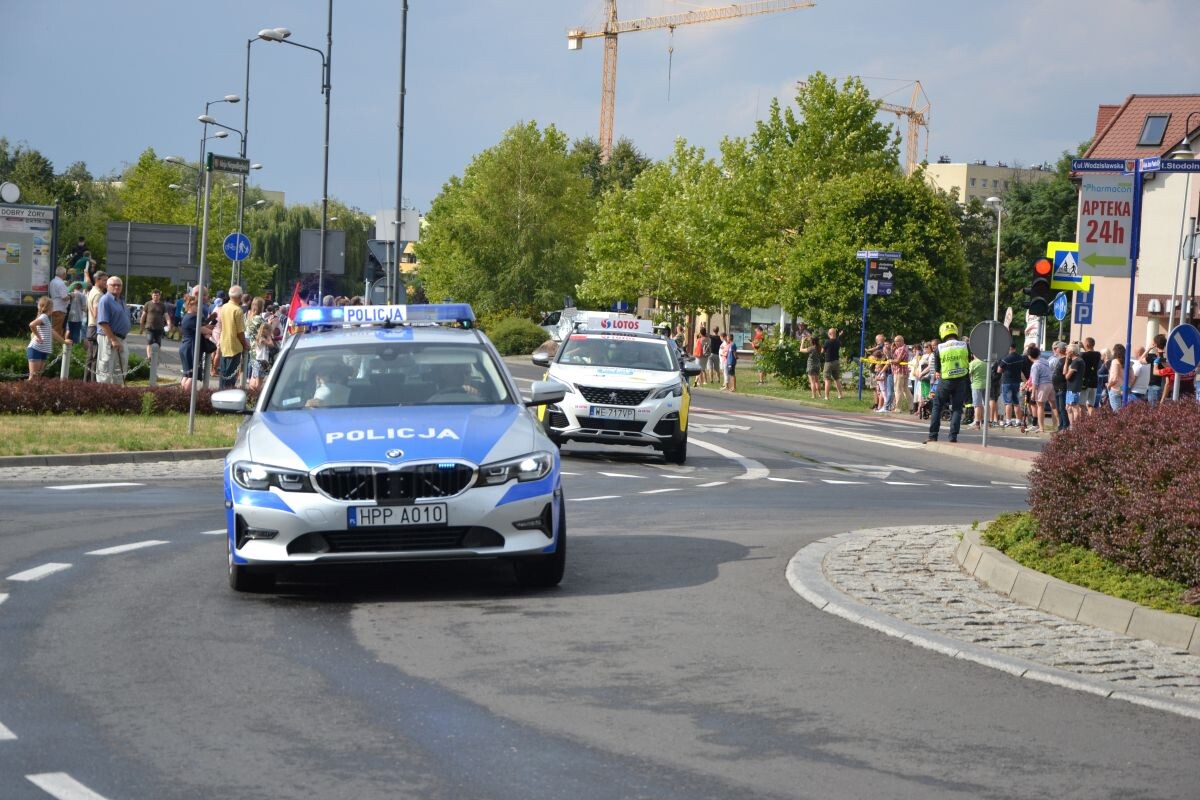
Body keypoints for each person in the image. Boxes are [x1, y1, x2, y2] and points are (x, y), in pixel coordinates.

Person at [926, 322, 970, 443]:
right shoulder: (965, 345)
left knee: (937, 406)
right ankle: (953, 437)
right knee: (957, 408)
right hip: (961, 380)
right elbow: (968, 360)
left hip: (945, 380)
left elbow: (937, 369)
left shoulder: (940, 348)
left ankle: (933, 435)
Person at [96, 276, 132, 385]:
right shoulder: (105, 300)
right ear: (107, 286)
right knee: (106, 368)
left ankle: (116, 393)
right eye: (113, 285)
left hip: (121, 338)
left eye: (119, 285)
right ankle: (103, 394)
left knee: (119, 369)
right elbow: (103, 322)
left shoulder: (120, 300)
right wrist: (113, 340)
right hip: (109, 338)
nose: (116, 287)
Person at [27, 296, 70, 379]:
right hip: (36, 349)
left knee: (37, 377)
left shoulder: (45, 318)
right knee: (33, 377)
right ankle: (23, 391)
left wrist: (64, 342)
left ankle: (34, 392)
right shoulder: (44, 317)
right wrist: (38, 336)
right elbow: (32, 324)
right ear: (50, 307)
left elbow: (52, 333)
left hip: (42, 349)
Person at [178, 295, 213, 394]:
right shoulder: (193, 318)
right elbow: (203, 330)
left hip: (185, 346)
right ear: (190, 306)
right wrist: (211, 331)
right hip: (192, 347)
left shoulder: (186, 316)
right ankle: (187, 396)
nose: (199, 307)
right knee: (192, 376)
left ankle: (182, 395)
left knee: (186, 374)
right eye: (197, 305)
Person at [217, 285, 250, 389]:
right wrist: (245, 344)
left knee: (223, 374)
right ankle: (228, 396)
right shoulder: (238, 310)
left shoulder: (224, 307)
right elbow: (240, 332)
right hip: (234, 346)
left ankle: (221, 393)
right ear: (240, 296)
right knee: (230, 377)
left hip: (224, 343)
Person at [84, 270, 107, 381]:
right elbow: (96, 314)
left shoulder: (93, 290)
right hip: (95, 328)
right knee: (94, 357)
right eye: (104, 280)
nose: (106, 283)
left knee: (90, 357)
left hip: (91, 327)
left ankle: (87, 382)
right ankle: (92, 383)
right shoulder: (98, 294)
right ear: (97, 280)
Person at [1025, 346, 1053, 434]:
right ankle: (1053, 425)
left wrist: (1033, 393)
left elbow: (1035, 381)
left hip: (1042, 385)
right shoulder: (1045, 361)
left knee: (1040, 406)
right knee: (1051, 406)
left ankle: (1041, 428)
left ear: (1029, 356)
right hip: (1050, 384)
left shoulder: (1035, 365)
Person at [997, 342, 1026, 428]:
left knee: (1008, 402)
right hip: (1017, 382)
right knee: (1016, 402)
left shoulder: (1006, 358)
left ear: (1009, 348)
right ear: (1015, 348)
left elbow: (999, 370)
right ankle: (1018, 421)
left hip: (1007, 382)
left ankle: (1008, 421)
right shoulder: (1020, 358)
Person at [140, 288, 168, 361]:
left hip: (159, 327)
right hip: (149, 327)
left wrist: (169, 323)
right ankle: (149, 357)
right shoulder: (148, 304)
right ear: (152, 296)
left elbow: (166, 315)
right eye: (154, 295)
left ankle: (156, 358)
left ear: (159, 296)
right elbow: (143, 315)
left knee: (158, 343)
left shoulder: (162, 305)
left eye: (157, 295)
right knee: (149, 341)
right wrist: (141, 325)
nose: (156, 297)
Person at [1064, 343, 1085, 427]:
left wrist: (1067, 373)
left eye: (1067, 350)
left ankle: (1074, 427)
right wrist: (1066, 360)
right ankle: (1072, 426)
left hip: (1074, 388)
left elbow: (1067, 376)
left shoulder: (1077, 361)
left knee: (1074, 407)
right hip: (1071, 387)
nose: (1065, 352)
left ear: (1071, 352)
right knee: (1068, 408)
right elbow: (1064, 372)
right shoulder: (1075, 361)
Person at [1080, 337, 1102, 416]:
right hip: (1094, 382)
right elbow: (1090, 354)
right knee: (1090, 405)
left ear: (1087, 344)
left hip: (1085, 382)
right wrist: (1083, 347)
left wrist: (1080, 347)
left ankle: (1082, 423)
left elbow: (1086, 355)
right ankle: (1091, 423)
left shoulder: (1083, 355)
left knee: (1081, 405)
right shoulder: (1098, 354)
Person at [822, 328, 844, 400]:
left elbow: (822, 351)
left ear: (829, 334)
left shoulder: (827, 342)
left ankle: (826, 396)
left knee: (827, 379)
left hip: (828, 362)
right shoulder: (838, 341)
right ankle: (840, 395)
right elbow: (837, 341)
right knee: (837, 379)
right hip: (836, 362)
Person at [968, 351, 987, 429]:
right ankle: (984, 422)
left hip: (976, 385)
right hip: (986, 384)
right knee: (985, 404)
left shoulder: (973, 363)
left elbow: (968, 373)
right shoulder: (986, 363)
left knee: (977, 405)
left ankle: (977, 423)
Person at [48, 266, 70, 337]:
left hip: (54, 307)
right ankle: (55, 346)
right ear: (63, 274)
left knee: (55, 327)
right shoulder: (60, 283)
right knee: (57, 329)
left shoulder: (53, 281)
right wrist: (71, 295)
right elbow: (64, 297)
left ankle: (54, 344)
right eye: (65, 273)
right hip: (60, 309)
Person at [66, 281, 87, 348]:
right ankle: (75, 348)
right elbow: (84, 308)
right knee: (76, 333)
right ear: (81, 288)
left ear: (74, 288)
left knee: (69, 331)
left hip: (70, 316)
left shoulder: (70, 294)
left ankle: (67, 345)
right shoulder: (82, 295)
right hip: (78, 317)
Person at [1106, 343, 1126, 411]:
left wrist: (1109, 385)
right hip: (1123, 389)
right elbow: (1132, 377)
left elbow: (1114, 378)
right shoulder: (1126, 362)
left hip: (1115, 389)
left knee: (1117, 412)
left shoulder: (1115, 361)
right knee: (1123, 412)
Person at [803, 334, 821, 399]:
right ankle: (819, 394)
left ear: (812, 341)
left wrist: (802, 341)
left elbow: (801, 349)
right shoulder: (819, 347)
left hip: (811, 365)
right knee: (817, 381)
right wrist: (808, 338)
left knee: (812, 381)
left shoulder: (811, 348)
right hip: (817, 365)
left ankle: (813, 396)